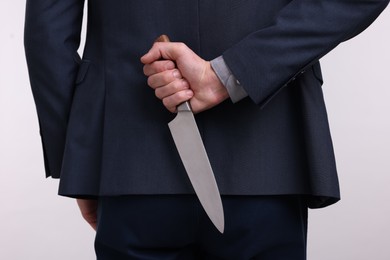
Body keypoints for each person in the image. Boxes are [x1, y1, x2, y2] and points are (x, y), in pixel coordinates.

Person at [24, 0, 389, 259]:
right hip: (267, 156)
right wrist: (236, 72)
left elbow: (47, 32)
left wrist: (77, 162)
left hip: (128, 162)